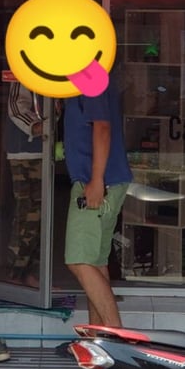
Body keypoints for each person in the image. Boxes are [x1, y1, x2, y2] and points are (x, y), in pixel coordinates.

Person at [63, 77, 132, 327]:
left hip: (97, 183)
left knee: (79, 260)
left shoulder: (89, 77)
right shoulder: (82, 78)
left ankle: (117, 337)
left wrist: (96, 180)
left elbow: (102, 127)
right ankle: (99, 339)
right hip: (103, 181)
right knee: (95, 263)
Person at [5, 81, 44, 286]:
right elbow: (15, 106)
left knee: (41, 217)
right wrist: (37, 126)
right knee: (28, 215)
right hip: (24, 153)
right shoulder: (23, 71)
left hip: (44, 150)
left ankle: (30, 273)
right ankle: (14, 274)